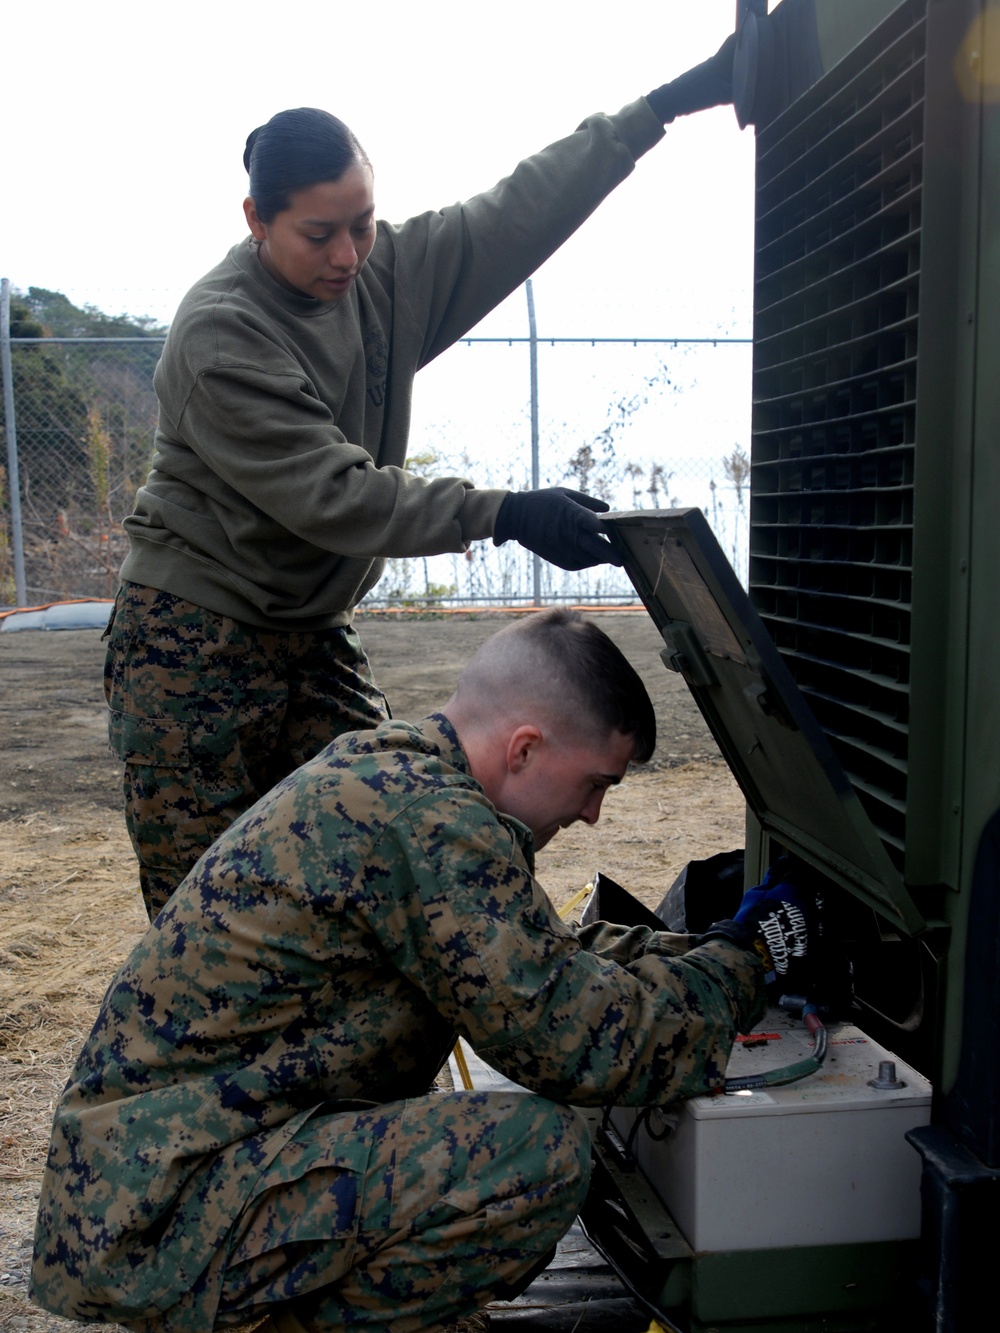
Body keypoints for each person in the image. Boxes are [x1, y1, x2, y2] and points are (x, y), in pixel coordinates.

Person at [34, 610, 818, 1333]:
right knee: (532, 1157)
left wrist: (703, 954)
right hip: (154, 1210)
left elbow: (543, 958)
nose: (595, 815)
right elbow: (573, 1042)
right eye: (596, 782)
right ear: (523, 748)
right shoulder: (434, 824)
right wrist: (748, 966)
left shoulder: (402, 782)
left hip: (157, 1173)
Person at [103, 38, 740, 919]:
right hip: (193, 635)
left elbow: (514, 212)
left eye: (362, 222)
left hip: (311, 627)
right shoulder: (222, 334)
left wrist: (660, 107)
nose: (348, 254)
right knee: (209, 907)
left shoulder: (382, 271)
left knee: (397, 830)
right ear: (255, 219)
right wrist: (504, 511)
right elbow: (338, 496)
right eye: (318, 233)